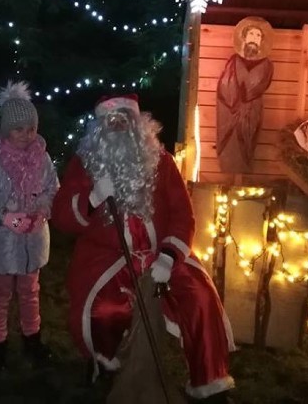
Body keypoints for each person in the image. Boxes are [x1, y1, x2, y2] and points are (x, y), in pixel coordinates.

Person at [52, 93, 236, 403]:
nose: (120, 127)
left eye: (126, 119)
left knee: (201, 297)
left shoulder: (161, 161)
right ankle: (106, 367)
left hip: (161, 253)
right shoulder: (86, 163)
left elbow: (182, 213)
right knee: (104, 309)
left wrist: (168, 257)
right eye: (112, 121)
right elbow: (60, 217)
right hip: (107, 259)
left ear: (139, 124)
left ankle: (210, 382)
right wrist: (92, 199)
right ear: (100, 128)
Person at [0, 81, 59, 374]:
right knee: (0, 295)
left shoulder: (42, 158)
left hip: (32, 241)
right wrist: (6, 218)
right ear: (6, 131)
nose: (26, 135)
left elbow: (51, 188)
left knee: (31, 292)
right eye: (18, 129)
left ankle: (32, 338)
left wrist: (43, 208)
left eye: (31, 128)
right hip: (2, 245)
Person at [216, 16, 275, 173]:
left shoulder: (266, 65)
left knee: (248, 142)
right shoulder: (234, 61)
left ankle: (244, 173)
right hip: (230, 110)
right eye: (251, 34)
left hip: (252, 111)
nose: (254, 39)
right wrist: (234, 100)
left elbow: (261, 84)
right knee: (230, 143)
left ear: (262, 41)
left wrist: (247, 95)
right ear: (244, 37)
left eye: (258, 35)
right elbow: (224, 84)